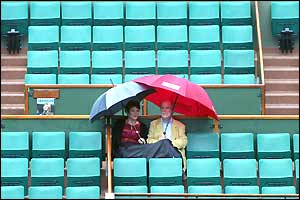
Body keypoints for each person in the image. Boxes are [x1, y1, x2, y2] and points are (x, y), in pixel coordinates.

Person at [147, 100, 187, 171]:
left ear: (172, 110)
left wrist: (168, 143)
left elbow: (183, 142)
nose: (164, 110)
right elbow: (149, 140)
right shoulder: (154, 124)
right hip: (158, 154)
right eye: (162, 108)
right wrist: (160, 142)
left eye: (167, 108)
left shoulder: (180, 125)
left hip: (174, 154)